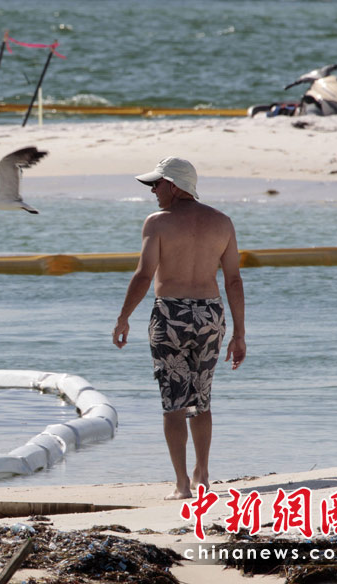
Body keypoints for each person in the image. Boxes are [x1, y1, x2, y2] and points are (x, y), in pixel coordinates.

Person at [112, 156, 246, 500]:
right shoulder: (222, 222)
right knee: (201, 398)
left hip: (170, 315)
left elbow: (144, 275)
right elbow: (233, 279)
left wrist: (123, 317)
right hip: (210, 315)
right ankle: (203, 475)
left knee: (174, 403)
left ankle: (182, 484)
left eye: (156, 184)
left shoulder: (157, 223)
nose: (153, 191)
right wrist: (239, 334)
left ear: (173, 185)